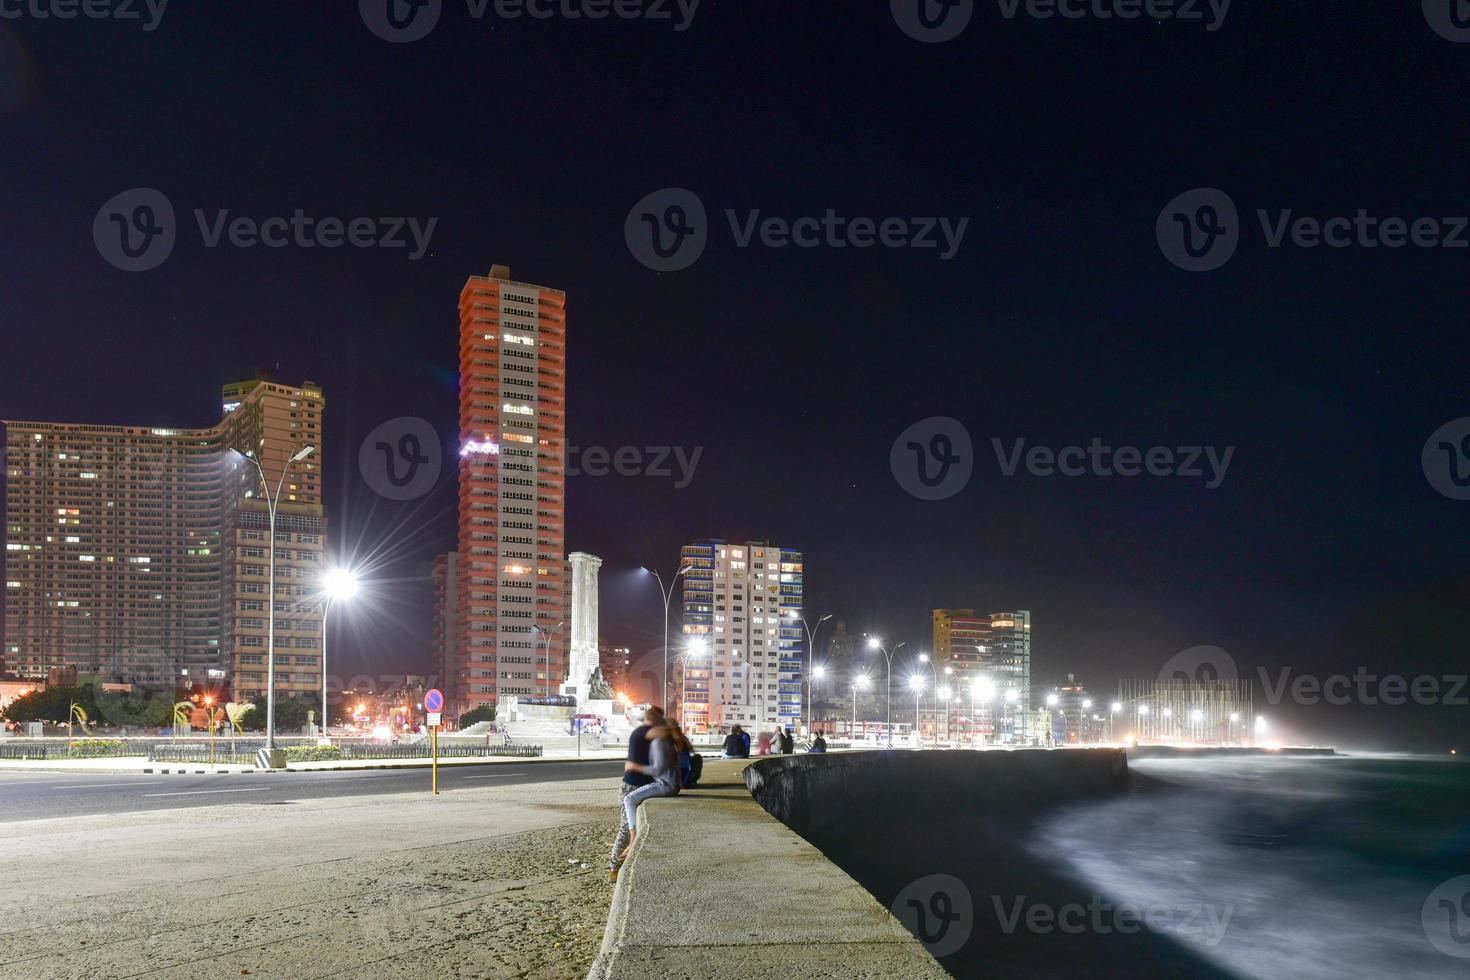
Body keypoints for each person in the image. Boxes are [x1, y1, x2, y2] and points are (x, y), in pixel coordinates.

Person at [609, 705, 664, 880]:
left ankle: (626, 864)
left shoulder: (647, 734)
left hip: (641, 785)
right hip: (631, 786)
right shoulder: (643, 732)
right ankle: (614, 867)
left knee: (635, 827)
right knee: (626, 828)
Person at [617, 721, 681, 864]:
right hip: (672, 783)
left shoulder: (659, 743)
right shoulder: (669, 742)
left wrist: (635, 767)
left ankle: (633, 839)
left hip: (665, 785)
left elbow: (657, 770)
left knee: (629, 800)